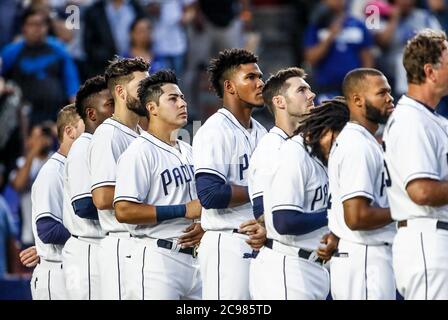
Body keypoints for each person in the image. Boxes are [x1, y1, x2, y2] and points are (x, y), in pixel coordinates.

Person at [248, 67, 338, 299]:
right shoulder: (271, 148)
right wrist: (337, 214)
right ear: (279, 101)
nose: (311, 95)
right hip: (286, 263)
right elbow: (264, 214)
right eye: (302, 90)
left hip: (316, 263)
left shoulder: (313, 147)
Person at [113, 70, 202, 299]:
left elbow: (198, 206)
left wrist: (203, 223)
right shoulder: (139, 152)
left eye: (182, 97)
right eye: (173, 99)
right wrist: (183, 210)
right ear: (152, 108)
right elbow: (123, 210)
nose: (182, 103)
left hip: (196, 259)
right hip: (157, 259)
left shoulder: (190, 151)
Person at [192, 48, 267, 300]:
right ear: (230, 87)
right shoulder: (214, 130)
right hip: (227, 243)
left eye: (260, 76)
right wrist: (261, 192)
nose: (260, 83)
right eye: (251, 77)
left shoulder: (262, 132)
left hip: (256, 239)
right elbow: (210, 194)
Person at [383, 29, 448, 300]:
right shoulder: (411, 121)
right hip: (426, 239)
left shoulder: (428, 118)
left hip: (432, 237)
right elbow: (421, 191)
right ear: (430, 71)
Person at [328, 68, 396, 300]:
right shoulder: (357, 145)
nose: (390, 97)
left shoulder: (363, 141)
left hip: (365, 256)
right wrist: (405, 209)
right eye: (381, 93)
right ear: (357, 100)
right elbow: (356, 217)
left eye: (389, 91)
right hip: (364, 258)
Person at [88, 56, 149, 300]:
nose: (149, 93)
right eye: (141, 87)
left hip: (142, 242)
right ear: (121, 92)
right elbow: (101, 197)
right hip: (122, 245)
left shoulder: (143, 134)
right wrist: (155, 194)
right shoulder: (108, 135)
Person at [62, 75, 114, 300]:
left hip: (105, 246)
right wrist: (130, 207)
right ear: (92, 114)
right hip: (89, 250)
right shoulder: (83, 147)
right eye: (110, 105)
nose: (116, 110)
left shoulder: (107, 144)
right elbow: (84, 205)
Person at [30, 104, 84, 300]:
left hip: (73, 268)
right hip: (56, 273)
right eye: (87, 126)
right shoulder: (52, 173)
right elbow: (47, 229)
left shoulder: (78, 167)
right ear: (69, 131)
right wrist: (88, 237)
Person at [1, 7, 80, 125]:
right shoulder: (12, 52)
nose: (38, 28)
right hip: (23, 118)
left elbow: (72, 84)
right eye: (33, 24)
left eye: (42, 24)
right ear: (24, 28)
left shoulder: (59, 49)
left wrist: (76, 114)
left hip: (56, 116)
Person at [304, 0, 374, 102]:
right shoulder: (316, 26)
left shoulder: (358, 25)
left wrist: (366, 85)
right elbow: (311, 59)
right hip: (326, 87)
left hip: (354, 87)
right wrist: (330, 36)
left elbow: (368, 59)